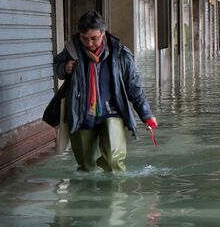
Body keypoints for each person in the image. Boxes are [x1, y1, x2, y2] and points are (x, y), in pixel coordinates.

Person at [53, 10, 157, 172]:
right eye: (84, 38)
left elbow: (134, 87)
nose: (89, 44)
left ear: (103, 33)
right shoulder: (72, 50)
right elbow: (57, 68)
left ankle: (115, 195)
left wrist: (146, 115)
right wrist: (65, 68)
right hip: (81, 114)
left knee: (114, 162)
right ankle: (88, 197)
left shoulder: (120, 54)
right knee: (86, 167)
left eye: (94, 38)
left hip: (112, 113)